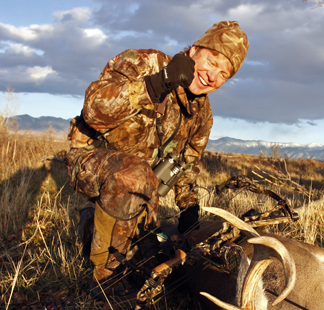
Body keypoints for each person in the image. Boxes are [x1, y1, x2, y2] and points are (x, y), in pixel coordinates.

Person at [66, 21, 249, 292]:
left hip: (142, 190)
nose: (213, 77)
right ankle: (105, 277)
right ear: (195, 50)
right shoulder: (144, 62)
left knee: (155, 253)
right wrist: (155, 85)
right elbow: (93, 110)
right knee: (135, 174)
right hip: (91, 163)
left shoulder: (202, 113)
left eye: (223, 75)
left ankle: (92, 226)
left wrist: (189, 210)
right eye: (212, 62)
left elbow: (187, 164)